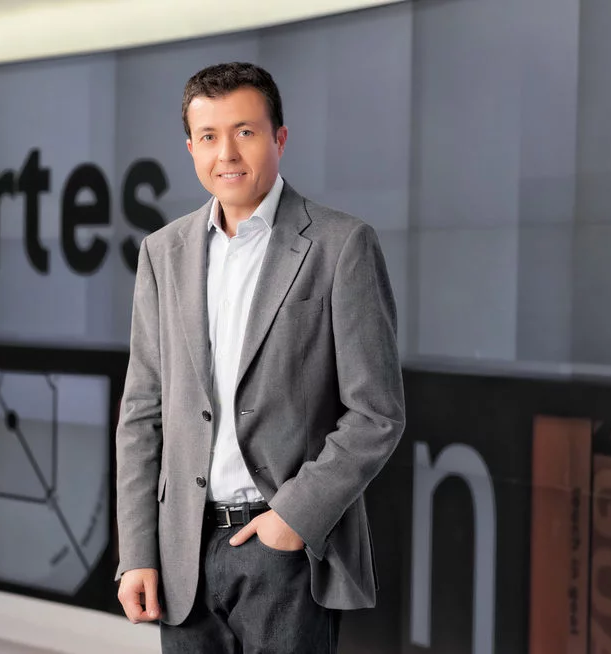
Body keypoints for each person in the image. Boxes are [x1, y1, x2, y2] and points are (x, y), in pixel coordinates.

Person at [114, 61, 405, 654]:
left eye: (244, 131)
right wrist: (138, 551)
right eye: (208, 136)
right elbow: (143, 413)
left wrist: (293, 518)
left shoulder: (340, 245)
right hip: (183, 554)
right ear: (191, 147)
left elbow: (376, 413)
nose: (226, 153)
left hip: (284, 552)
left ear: (280, 137)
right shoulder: (162, 252)